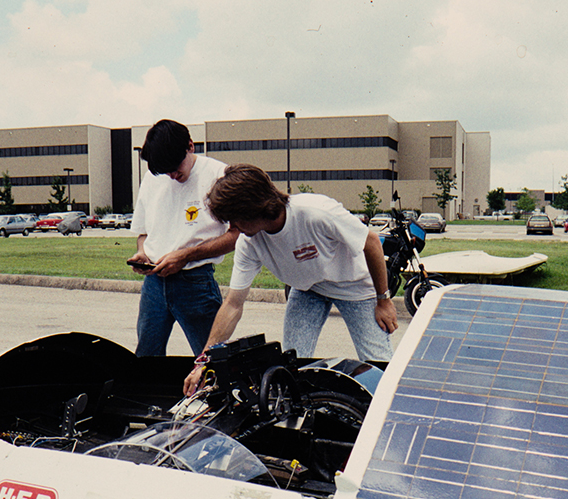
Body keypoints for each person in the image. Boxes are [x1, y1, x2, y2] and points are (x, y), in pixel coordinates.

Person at [184, 164, 398, 395]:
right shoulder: (249, 243)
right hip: (307, 289)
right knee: (293, 365)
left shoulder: (315, 213)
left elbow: (372, 242)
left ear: (254, 208)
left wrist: (383, 300)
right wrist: (204, 361)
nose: (232, 228)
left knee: (379, 364)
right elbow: (233, 304)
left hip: (354, 286)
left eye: (235, 220)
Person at [130, 120, 238, 356]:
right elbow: (144, 231)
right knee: (145, 359)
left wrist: (186, 255)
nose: (172, 174)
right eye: (165, 171)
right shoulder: (153, 177)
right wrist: (143, 253)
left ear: (190, 145)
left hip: (195, 283)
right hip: (154, 284)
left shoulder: (219, 175)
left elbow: (237, 234)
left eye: (175, 166)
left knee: (211, 360)